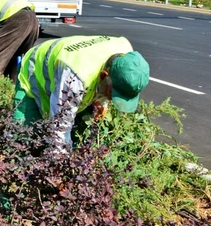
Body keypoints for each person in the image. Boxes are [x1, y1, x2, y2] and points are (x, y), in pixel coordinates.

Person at [14, 35, 150, 148]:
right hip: (35, 72)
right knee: (23, 140)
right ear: (103, 75)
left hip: (71, 76)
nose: (111, 99)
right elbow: (59, 129)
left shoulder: (128, 57)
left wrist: (101, 102)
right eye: (112, 94)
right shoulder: (75, 75)